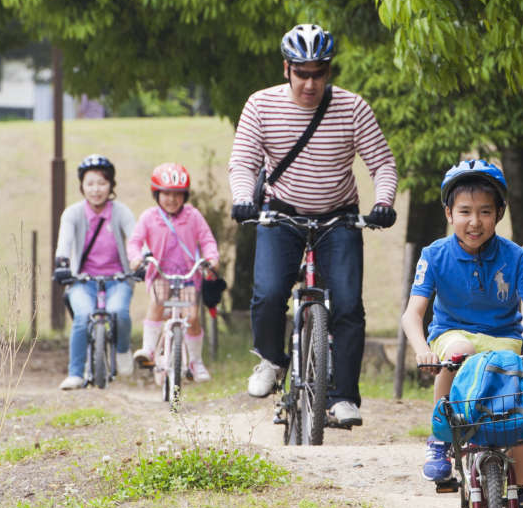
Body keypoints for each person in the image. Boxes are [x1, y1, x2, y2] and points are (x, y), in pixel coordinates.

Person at [228, 23, 398, 427]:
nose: (309, 82)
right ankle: (271, 360)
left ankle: (342, 398)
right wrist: (241, 198)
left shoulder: (353, 107)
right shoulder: (260, 105)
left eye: (318, 73)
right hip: (280, 214)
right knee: (269, 294)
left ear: (329, 71)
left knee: (348, 305)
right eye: (301, 72)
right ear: (286, 68)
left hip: (338, 217)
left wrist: (384, 202)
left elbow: (382, 163)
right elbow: (244, 162)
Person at [401, 159, 523, 508]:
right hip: (451, 336)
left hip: (504, 342)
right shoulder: (434, 255)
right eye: (465, 212)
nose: (475, 221)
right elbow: (413, 314)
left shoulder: (514, 256)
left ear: (499, 214)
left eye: (485, 211)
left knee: (520, 424)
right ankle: (440, 437)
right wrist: (422, 348)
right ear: (449, 213)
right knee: (461, 349)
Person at [127, 162, 220, 382]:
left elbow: (207, 240)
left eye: (178, 194)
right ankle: (149, 350)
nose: (172, 199)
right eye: (166, 193)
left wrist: (212, 258)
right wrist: (136, 258)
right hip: (160, 274)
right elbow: (134, 242)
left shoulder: (193, 216)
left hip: (188, 276)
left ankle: (195, 362)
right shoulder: (149, 217)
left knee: (193, 316)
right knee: (158, 301)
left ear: (185, 195)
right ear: (156, 194)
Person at [53, 154, 136, 390]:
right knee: (82, 317)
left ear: (111, 186)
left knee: (119, 311)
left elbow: (135, 238)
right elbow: (64, 243)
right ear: (82, 186)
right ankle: (76, 373)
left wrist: (141, 258)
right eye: (90, 184)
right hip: (82, 280)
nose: (96, 190)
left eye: (102, 183)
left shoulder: (121, 212)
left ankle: (121, 350)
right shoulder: (72, 213)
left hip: (118, 278)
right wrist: (62, 263)